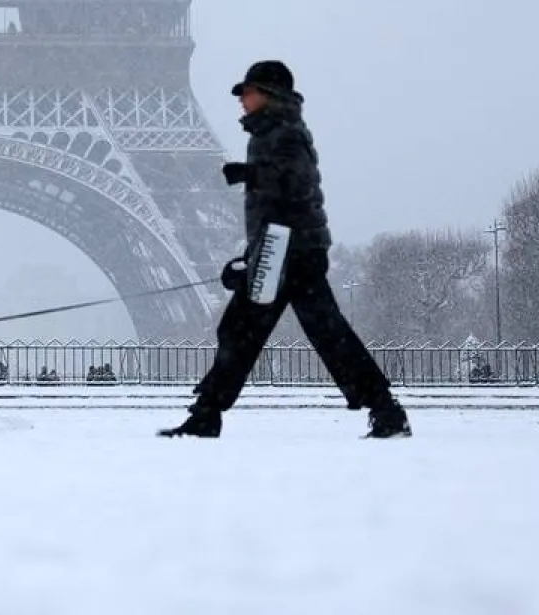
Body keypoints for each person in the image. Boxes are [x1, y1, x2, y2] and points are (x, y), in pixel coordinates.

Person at [158, 60, 412, 439]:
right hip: (286, 249)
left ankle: (208, 413)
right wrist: (250, 257)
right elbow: (281, 204)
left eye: (248, 91)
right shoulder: (269, 133)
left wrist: (251, 176)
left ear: (268, 94)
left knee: (254, 332)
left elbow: (296, 186)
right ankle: (208, 412)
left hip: (291, 252)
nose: (242, 99)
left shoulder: (285, 132)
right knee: (274, 332)